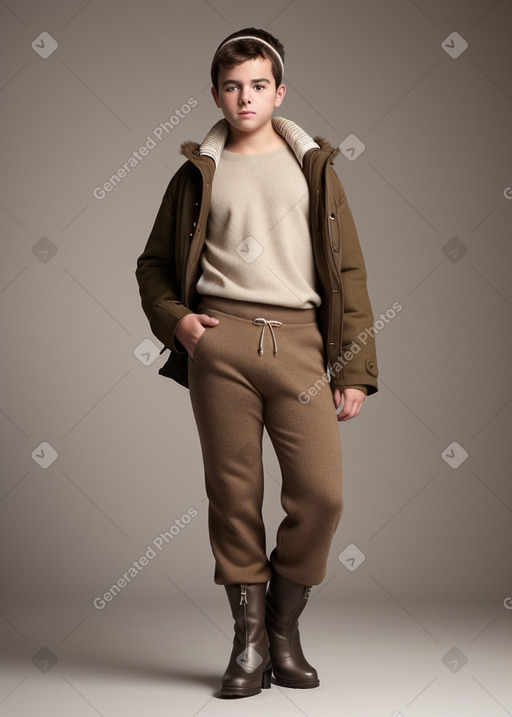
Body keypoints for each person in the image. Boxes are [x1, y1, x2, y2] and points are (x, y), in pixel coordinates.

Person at [135, 27, 378, 699]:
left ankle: (283, 629)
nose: (245, 97)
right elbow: (153, 264)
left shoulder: (316, 167)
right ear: (216, 93)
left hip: (300, 343)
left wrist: (355, 366)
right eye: (232, 86)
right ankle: (247, 644)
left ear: (280, 91)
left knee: (320, 495)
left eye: (259, 85)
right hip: (221, 346)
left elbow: (348, 271)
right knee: (234, 495)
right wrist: (178, 321)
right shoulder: (195, 172)